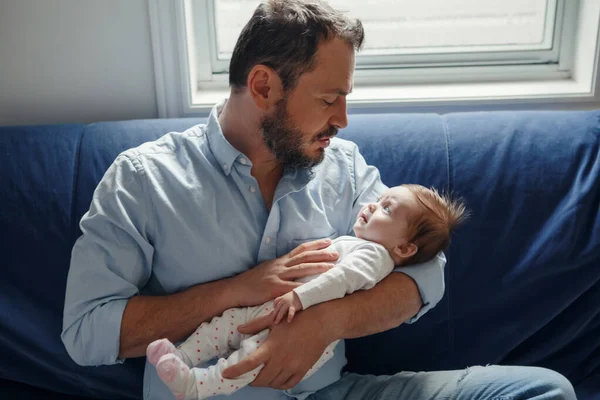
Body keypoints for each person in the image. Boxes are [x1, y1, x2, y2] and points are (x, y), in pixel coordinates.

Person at [61, 1, 576, 399]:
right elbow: (86, 332)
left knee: (543, 390)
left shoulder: (345, 167)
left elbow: (426, 273)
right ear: (263, 85)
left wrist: (322, 323)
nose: (343, 119)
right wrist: (234, 291)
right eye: (330, 99)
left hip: (332, 391)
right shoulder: (143, 179)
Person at [145, 184, 466, 400]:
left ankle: (195, 386)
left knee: (249, 360)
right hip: (278, 308)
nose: (372, 204)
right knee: (225, 326)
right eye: (380, 200)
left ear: (405, 247)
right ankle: (182, 355)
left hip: (293, 318)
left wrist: (299, 298)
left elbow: (338, 281)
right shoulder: (363, 243)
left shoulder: (375, 257)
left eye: (386, 209)